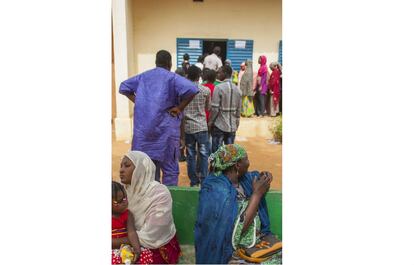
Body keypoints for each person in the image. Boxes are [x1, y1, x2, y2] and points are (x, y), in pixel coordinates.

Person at [119, 50, 199, 186]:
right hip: (166, 134)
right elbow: (192, 89)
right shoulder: (172, 78)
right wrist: (180, 108)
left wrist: (139, 101)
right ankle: (168, 200)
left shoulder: (143, 77)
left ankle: (150, 202)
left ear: (156, 62)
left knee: (147, 172)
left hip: (144, 135)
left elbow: (123, 87)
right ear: (170, 63)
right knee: (170, 171)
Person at [194, 144, 282, 264]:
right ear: (237, 165)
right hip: (230, 251)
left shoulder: (243, 179)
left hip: (256, 241)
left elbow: (255, 177)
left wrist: (265, 177)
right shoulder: (217, 191)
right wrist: (256, 195)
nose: (249, 162)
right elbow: (235, 234)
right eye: (246, 159)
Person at [120, 151, 181, 264]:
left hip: (155, 246)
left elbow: (152, 235)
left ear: (140, 170)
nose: (121, 170)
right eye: (121, 166)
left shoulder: (159, 193)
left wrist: (114, 242)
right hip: (128, 240)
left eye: (127, 166)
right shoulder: (122, 191)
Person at [112, 181, 154, 264]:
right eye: (119, 201)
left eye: (125, 198)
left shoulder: (128, 214)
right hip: (112, 250)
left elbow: (131, 232)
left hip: (125, 248)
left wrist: (137, 249)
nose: (124, 202)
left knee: (145, 255)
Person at [183, 65, 211, 187]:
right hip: (202, 126)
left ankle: (193, 181)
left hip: (188, 127)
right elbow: (208, 108)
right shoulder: (205, 91)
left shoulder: (183, 90)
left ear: (187, 75)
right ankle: (203, 179)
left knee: (190, 155)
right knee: (204, 154)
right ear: (199, 76)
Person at [209, 65, 242, 153]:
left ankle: (216, 167)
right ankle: (228, 167)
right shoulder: (237, 89)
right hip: (232, 126)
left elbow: (215, 109)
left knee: (216, 153)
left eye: (219, 72)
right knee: (230, 155)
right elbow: (239, 109)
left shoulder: (218, 88)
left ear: (225, 73)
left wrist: (211, 122)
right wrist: (237, 122)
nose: (218, 74)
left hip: (219, 125)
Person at [175, 68, 187, 162]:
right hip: (181, 112)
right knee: (182, 135)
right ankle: (181, 154)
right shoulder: (184, 85)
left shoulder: (171, 84)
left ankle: (178, 154)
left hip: (173, 113)